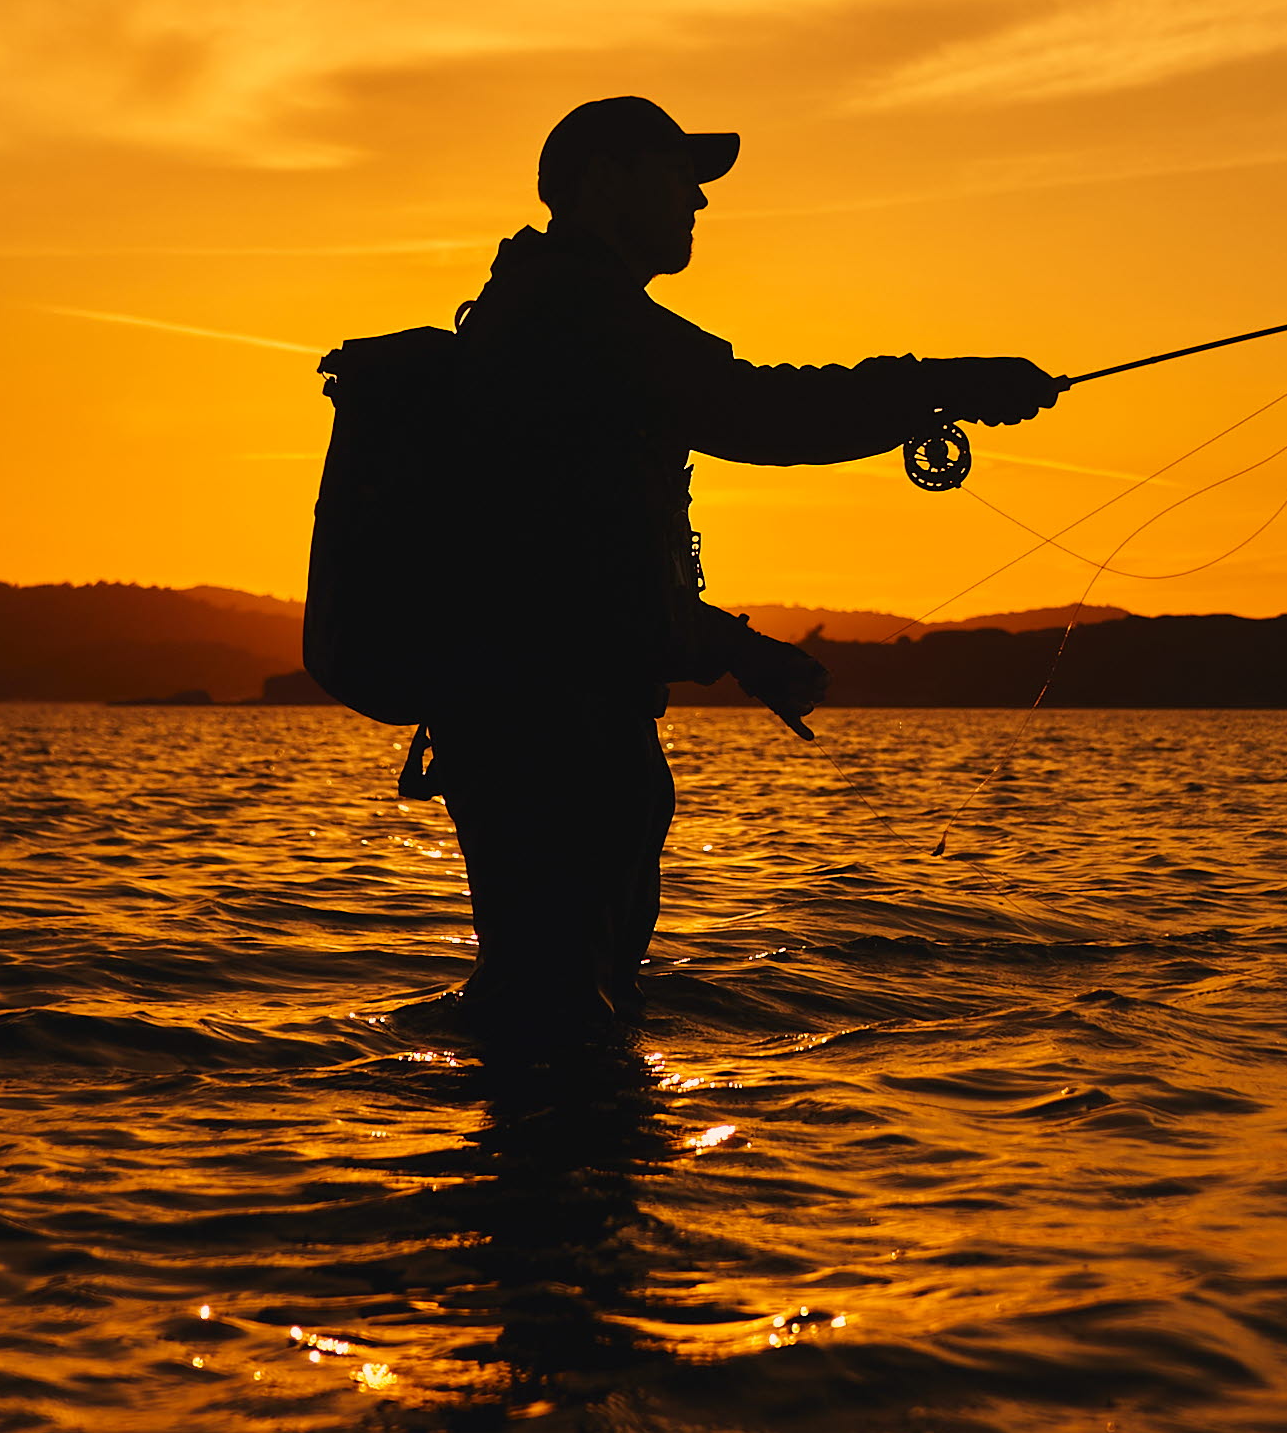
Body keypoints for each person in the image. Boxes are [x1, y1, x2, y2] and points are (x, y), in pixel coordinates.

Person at [427, 95, 1059, 1054]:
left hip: (548, 713)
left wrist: (738, 651)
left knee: (563, 1006)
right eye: (678, 176)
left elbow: (582, 557)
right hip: (550, 726)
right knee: (556, 1011)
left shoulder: (558, 309)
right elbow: (764, 414)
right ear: (601, 182)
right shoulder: (578, 314)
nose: (699, 203)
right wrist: (947, 384)